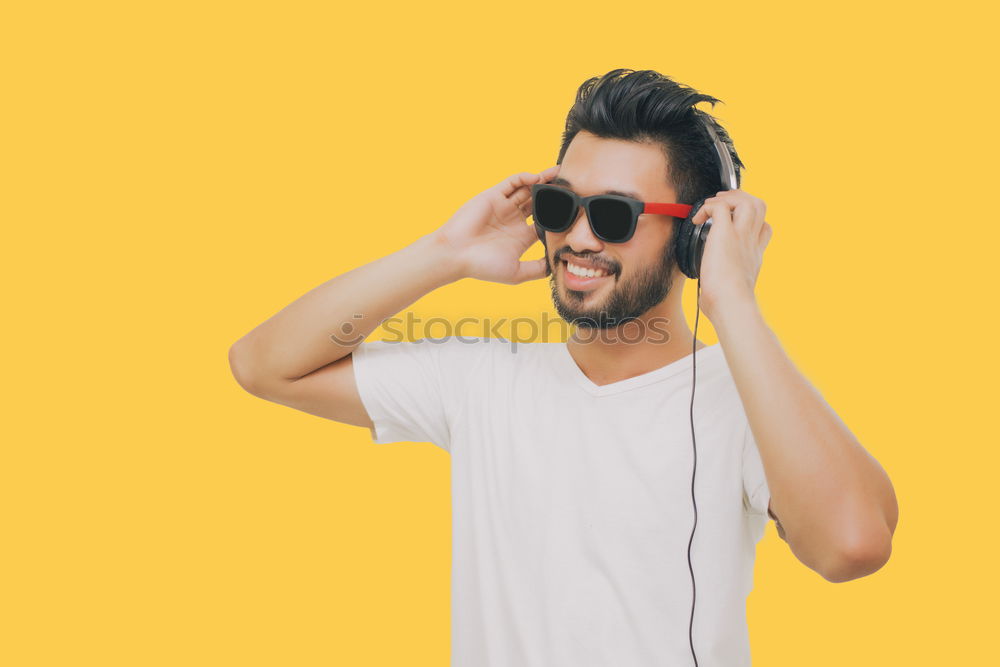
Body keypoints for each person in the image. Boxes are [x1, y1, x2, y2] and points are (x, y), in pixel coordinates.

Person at [228, 68, 898, 666]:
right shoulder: (483, 380)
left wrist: (733, 303)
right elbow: (264, 364)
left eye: (614, 215)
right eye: (560, 205)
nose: (577, 236)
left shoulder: (748, 399)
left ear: (695, 234)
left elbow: (853, 542)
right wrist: (444, 253)